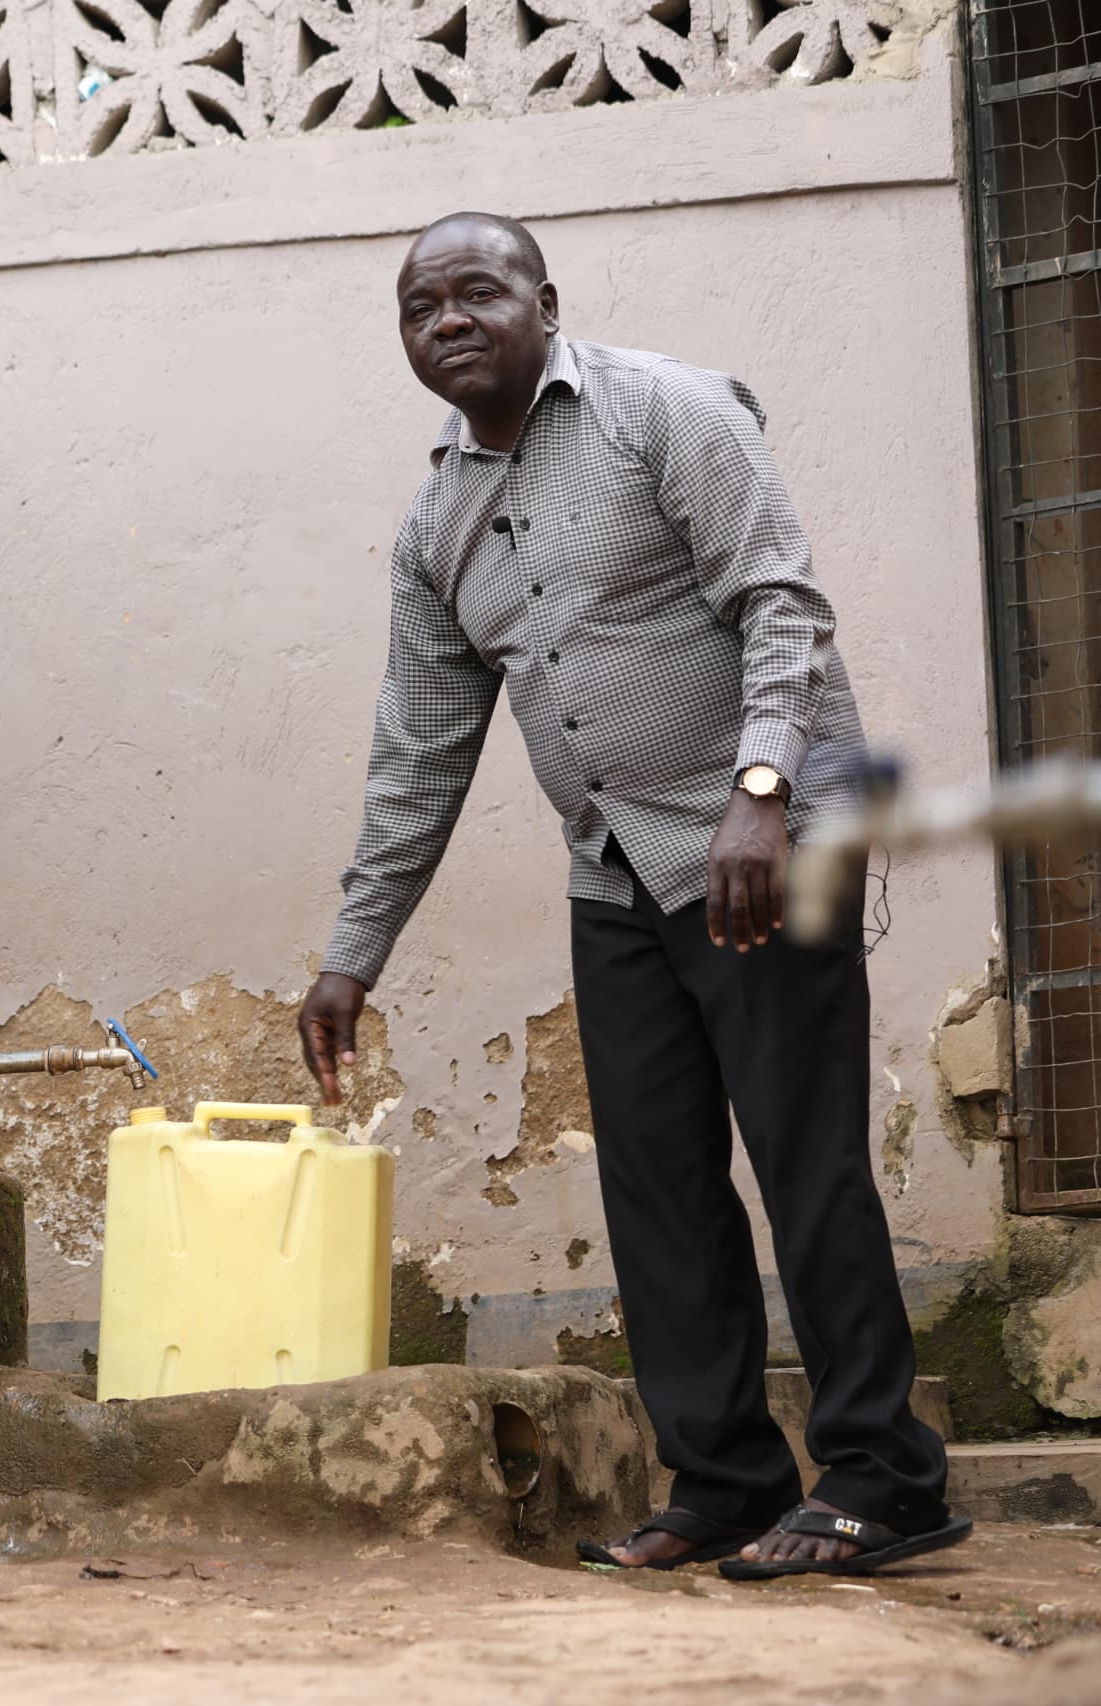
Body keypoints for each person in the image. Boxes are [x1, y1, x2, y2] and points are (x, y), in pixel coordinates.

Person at [296, 212, 969, 1579]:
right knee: (658, 1183)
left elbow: (784, 604)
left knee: (805, 1156)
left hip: (766, 847)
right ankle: (721, 1475)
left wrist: (762, 792)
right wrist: (351, 955)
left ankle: (883, 1476)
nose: (448, 319)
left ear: (545, 298)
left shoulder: (668, 412)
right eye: (419, 306)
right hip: (614, 873)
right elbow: (419, 759)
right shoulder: (438, 524)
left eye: (477, 289)